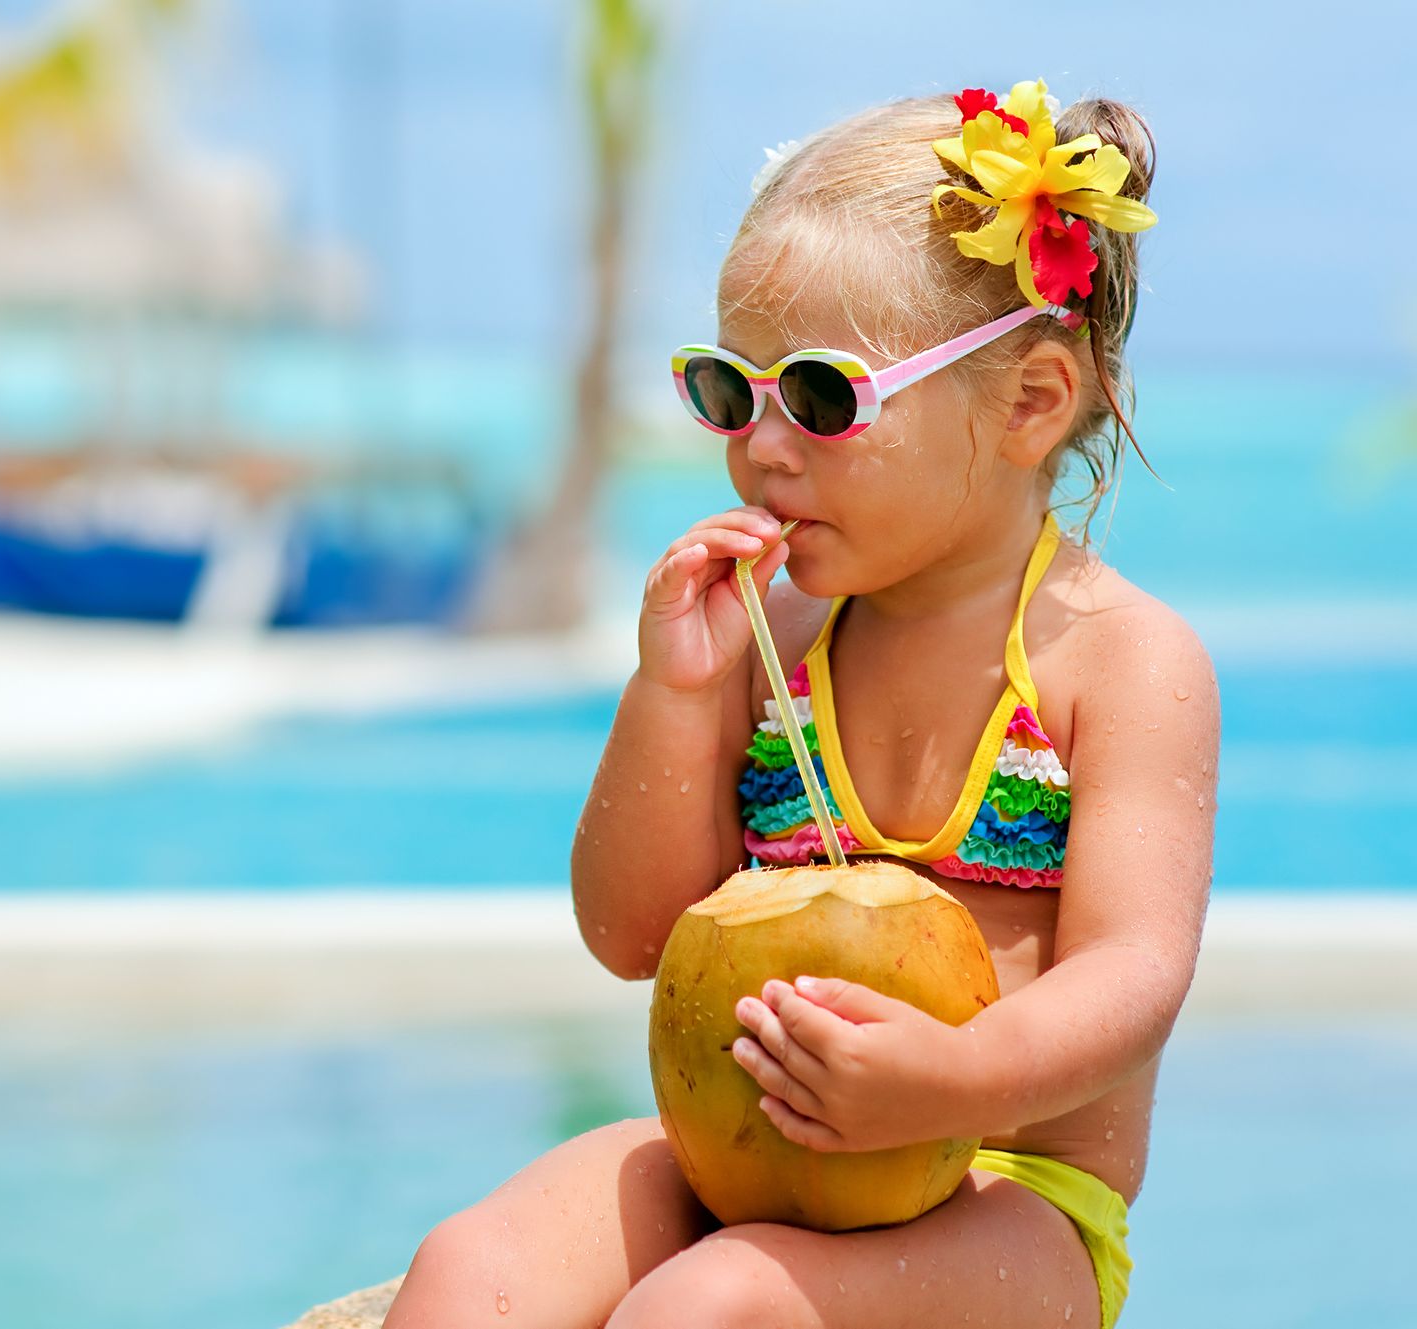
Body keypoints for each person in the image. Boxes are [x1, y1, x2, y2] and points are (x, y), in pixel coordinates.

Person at [382, 79, 1217, 1329]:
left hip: (1009, 1205)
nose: (762, 448)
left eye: (822, 399)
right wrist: (673, 694)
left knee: (707, 1306)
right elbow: (630, 934)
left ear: (1029, 404)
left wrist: (952, 1079)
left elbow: (1134, 975)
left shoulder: (1117, 662)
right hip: (740, 1167)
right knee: (468, 1269)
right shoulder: (771, 636)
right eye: (731, 392)